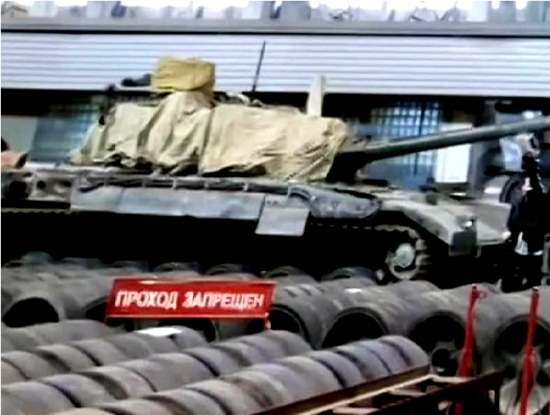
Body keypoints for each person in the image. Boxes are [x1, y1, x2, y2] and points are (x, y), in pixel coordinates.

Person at [504, 152, 549, 291]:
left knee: (527, 263)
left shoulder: (528, 184)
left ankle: (521, 283)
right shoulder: (526, 183)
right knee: (527, 263)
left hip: (530, 232)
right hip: (529, 233)